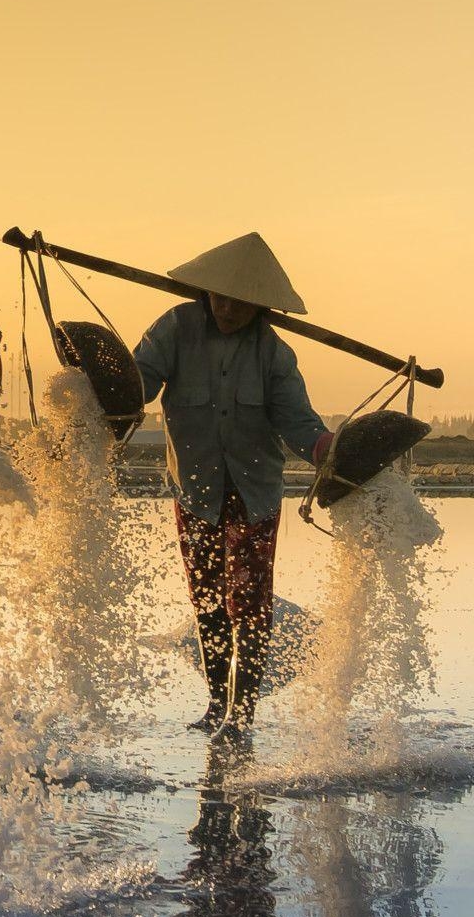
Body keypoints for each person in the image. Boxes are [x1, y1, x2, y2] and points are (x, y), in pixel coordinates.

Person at [130, 234, 330, 735]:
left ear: (260, 307)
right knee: (207, 602)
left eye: (240, 303)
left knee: (250, 605)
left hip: (254, 493)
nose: (227, 309)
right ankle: (217, 706)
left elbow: (299, 424)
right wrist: (103, 388)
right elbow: (138, 383)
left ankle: (242, 715)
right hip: (196, 490)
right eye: (220, 297)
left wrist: (329, 450)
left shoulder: (273, 354)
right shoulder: (175, 329)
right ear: (206, 293)